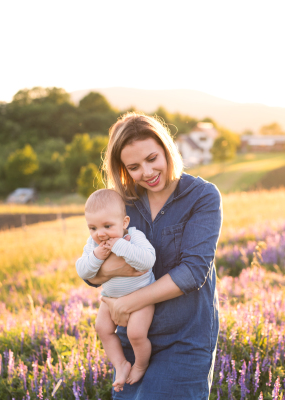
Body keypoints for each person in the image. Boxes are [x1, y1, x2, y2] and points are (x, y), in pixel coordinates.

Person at [84, 112, 223, 399]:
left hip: (184, 338)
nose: (146, 172)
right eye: (134, 166)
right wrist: (110, 271)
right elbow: (92, 274)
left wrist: (127, 300)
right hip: (133, 341)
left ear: (167, 150)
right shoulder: (123, 204)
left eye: (152, 158)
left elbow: (193, 273)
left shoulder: (202, 196)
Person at [75, 189, 156, 391]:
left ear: (124, 223)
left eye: (107, 226)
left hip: (141, 296)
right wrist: (96, 256)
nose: (99, 233)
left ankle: (140, 364)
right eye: (92, 228)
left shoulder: (134, 237)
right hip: (110, 298)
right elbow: (82, 270)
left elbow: (148, 260)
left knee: (136, 334)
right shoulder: (93, 245)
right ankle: (120, 364)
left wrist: (119, 246)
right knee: (102, 328)